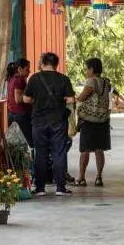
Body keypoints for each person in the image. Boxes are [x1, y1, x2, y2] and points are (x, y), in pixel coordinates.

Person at [22, 52, 76, 196]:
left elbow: (26, 99)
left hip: (39, 122)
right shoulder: (63, 79)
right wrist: (60, 100)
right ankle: (60, 188)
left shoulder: (34, 78)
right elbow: (71, 100)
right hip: (58, 121)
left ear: (42, 63)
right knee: (59, 153)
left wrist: (38, 100)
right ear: (56, 64)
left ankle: (40, 188)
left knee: (41, 154)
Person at [74, 57, 112, 187]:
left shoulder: (91, 81)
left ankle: (81, 177)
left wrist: (73, 98)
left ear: (92, 69)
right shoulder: (106, 82)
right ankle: (99, 177)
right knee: (99, 149)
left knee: (85, 150)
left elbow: (82, 97)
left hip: (89, 120)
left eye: (87, 69)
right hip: (103, 119)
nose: (86, 71)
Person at [4, 58, 33, 145]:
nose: (29, 71)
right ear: (20, 69)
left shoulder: (11, 79)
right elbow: (18, 99)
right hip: (21, 116)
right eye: (27, 69)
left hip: (13, 114)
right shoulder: (19, 79)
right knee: (29, 143)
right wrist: (33, 100)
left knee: (16, 144)